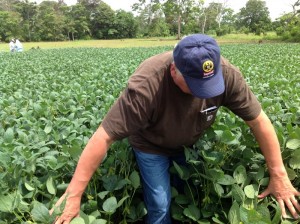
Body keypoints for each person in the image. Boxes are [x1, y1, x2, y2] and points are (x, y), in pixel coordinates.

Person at [51, 34, 300, 224]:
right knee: (160, 204)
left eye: (208, 85)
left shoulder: (227, 75)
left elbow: (259, 121)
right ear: (173, 70)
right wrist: (74, 195)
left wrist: (279, 176)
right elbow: (102, 137)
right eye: (192, 85)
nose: (200, 93)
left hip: (188, 144)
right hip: (152, 145)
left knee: (185, 193)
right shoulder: (147, 84)